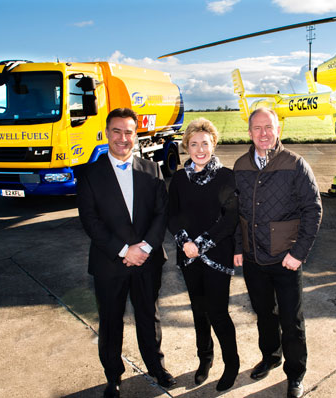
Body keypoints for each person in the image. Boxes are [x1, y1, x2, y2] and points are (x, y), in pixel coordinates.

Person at [76, 108, 176, 398]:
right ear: (106, 133)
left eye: (128, 131)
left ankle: (156, 366)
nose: (122, 137)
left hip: (148, 260)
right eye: (116, 131)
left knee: (149, 315)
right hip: (110, 262)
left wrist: (143, 248)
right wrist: (123, 251)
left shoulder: (152, 170)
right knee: (110, 321)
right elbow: (90, 221)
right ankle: (113, 376)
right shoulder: (89, 174)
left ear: (136, 134)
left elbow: (161, 213)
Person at [233, 107, 322, 398]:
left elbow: (313, 210)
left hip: (286, 259)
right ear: (249, 132)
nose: (263, 133)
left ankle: (295, 374)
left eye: (268, 127)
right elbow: (236, 212)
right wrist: (238, 248)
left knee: (291, 320)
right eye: (257, 128)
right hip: (253, 258)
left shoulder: (295, 164)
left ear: (278, 130)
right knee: (263, 314)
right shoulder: (240, 165)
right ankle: (270, 357)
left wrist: (298, 253)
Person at [168, 118, 240, 391]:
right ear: (186, 146)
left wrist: (202, 243)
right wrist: (186, 243)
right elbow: (171, 214)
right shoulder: (178, 179)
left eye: (205, 144)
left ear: (214, 145)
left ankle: (231, 364)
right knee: (199, 312)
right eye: (194, 144)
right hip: (188, 256)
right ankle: (205, 360)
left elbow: (230, 218)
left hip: (217, 256)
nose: (200, 149)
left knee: (218, 313)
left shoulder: (226, 176)